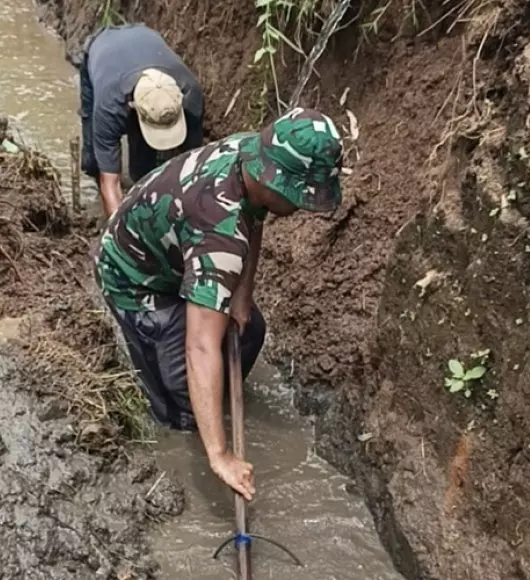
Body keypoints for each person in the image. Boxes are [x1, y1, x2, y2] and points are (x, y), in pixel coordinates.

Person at [93, 108, 345, 500]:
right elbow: (200, 346)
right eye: (299, 199)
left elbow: (254, 215)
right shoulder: (219, 235)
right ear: (275, 182)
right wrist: (220, 454)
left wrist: (241, 296)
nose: (300, 210)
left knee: (251, 330)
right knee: (181, 407)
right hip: (134, 277)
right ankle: (189, 421)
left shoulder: (254, 152)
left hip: (177, 248)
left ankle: (209, 401)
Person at [77, 23, 205, 217]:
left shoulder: (190, 95)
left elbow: (193, 163)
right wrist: (122, 237)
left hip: (146, 36)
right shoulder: (109, 106)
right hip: (101, 47)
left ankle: (142, 189)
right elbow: (110, 183)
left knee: (144, 167)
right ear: (131, 106)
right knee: (95, 159)